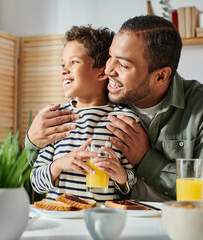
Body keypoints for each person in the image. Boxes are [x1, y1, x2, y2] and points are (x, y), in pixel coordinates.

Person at [26, 15, 203, 201]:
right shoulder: (96, 96)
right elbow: (39, 168)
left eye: (123, 65)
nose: (108, 70)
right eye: (109, 56)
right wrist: (32, 139)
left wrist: (146, 159)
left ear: (160, 76)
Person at [29, 25, 140, 203]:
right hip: (60, 216)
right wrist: (59, 164)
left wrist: (121, 176)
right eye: (63, 64)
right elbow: (36, 182)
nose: (64, 70)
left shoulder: (124, 121)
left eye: (74, 62)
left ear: (102, 72)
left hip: (100, 217)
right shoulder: (56, 119)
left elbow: (131, 182)